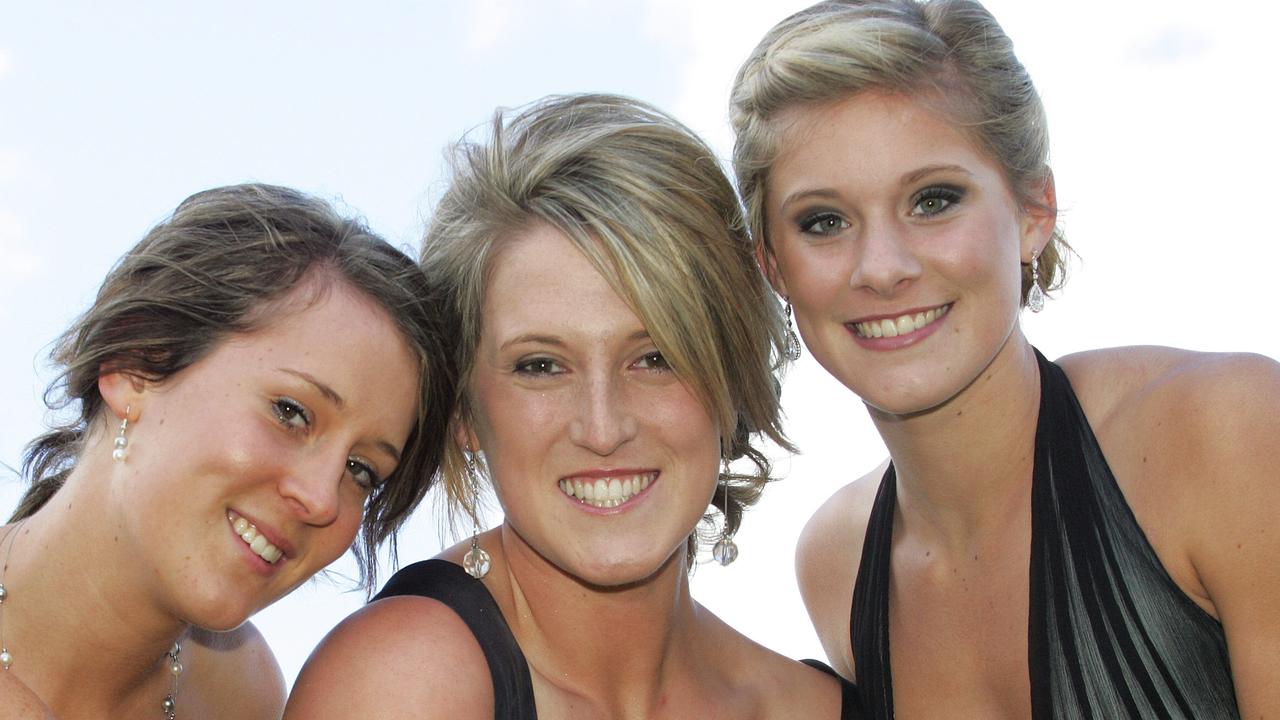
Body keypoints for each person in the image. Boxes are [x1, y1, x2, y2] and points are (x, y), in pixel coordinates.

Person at [728, 1, 1280, 718]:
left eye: (933, 200)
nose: (883, 268)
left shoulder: (1221, 435)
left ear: (1033, 211)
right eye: (823, 222)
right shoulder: (836, 561)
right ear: (773, 264)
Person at [285, 94, 861, 719]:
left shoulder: (823, 706)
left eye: (655, 357)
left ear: (731, 377)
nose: (603, 428)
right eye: (540, 367)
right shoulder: (405, 682)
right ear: (463, 414)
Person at [0, 183, 457, 719]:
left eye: (361, 471)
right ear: (132, 364)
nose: (320, 499)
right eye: (291, 412)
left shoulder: (244, 695)